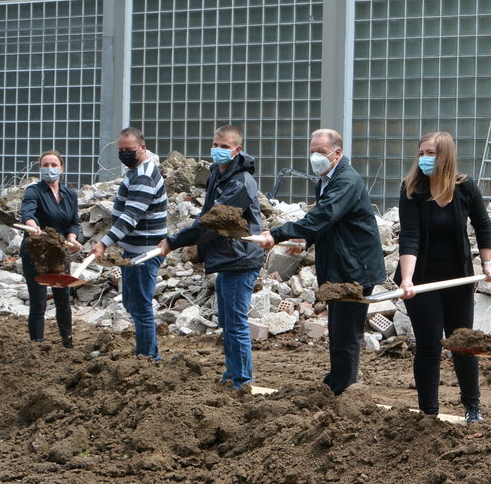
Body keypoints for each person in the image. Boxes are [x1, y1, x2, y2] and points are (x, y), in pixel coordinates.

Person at [254, 129, 383, 394]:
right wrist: (305, 241)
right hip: (339, 265)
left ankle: (344, 389)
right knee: (337, 328)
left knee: (347, 332)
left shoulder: (346, 180)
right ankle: (339, 378)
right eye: (312, 151)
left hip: (356, 268)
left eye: (321, 152)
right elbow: (327, 224)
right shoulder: (325, 179)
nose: (315, 157)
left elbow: (324, 215)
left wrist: (278, 235)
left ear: (338, 153)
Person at [395, 132, 491, 421]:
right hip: (422, 279)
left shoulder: (465, 188)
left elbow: (483, 225)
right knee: (428, 344)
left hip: (458, 278)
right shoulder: (411, 190)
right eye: (422, 153)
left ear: (446, 156)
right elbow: (410, 236)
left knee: (462, 342)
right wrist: (407, 279)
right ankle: (429, 412)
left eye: (432, 153)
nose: (425, 159)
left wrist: (487, 264)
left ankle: (472, 407)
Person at [156, 125, 265, 390]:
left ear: (237, 149)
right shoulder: (218, 172)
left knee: (236, 323)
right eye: (216, 144)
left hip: (241, 258)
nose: (218, 150)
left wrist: (173, 241)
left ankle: (242, 381)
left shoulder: (240, 182)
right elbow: (206, 213)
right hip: (227, 257)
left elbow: (212, 223)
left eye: (225, 147)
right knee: (227, 322)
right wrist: (199, 249)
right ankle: (232, 375)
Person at [91, 128, 169, 361]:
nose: (124, 154)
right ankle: (146, 353)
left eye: (129, 150)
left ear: (143, 148)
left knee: (142, 307)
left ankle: (147, 358)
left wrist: (104, 243)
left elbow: (130, 217)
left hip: (144, 254)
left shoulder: (143, 176)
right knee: (133, 303)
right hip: (133, 251)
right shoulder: (135, 171)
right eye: (121, 150)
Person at [19, 150, 80, 347]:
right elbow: (28, 212)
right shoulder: (33, 191)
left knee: (63, 301)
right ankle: (37, 346)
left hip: (59, 254)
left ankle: (67, 344)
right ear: (40, 168)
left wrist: (72, 238)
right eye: (45, 165)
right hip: (36, 253)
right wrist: (32, 226)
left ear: (61, 168)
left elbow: (73, 222)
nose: (49, 169)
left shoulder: (70, 195)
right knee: (39, 303)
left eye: (54, 165)